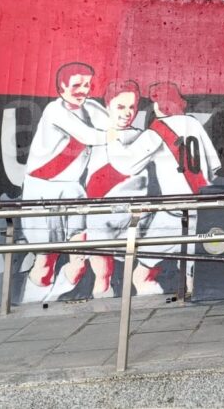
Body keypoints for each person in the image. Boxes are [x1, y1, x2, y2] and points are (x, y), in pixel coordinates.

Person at [105, 81, 221, 294]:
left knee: (142, 276)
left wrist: (112, 140)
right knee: (190, 272)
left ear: (158, 105)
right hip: (203, 210)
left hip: (173, 216)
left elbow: (126, 164)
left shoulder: (156, 131)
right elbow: (214, 166)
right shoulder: (193, 124)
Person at [21, 62, 110, 302]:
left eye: (88, 84)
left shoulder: (90, 107)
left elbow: (115, 125)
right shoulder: (54, 110)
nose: (84, 90)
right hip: (43, 191)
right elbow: (90, 136)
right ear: (61, 86)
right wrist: (119, 134)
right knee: (46, 261)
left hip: (72, 191)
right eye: (77, 85)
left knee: (80, 262)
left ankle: (47, 302)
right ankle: (33, 306)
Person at [81, 80, 159, 297]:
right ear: (108, 106)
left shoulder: (142, 137)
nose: (127, 113)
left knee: (144, 275)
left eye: (132, 107)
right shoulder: (94, 137)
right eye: (121, 107)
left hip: (136, 218)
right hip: (101, 217)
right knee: (102, 278)